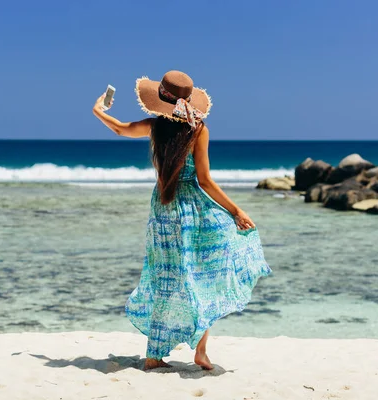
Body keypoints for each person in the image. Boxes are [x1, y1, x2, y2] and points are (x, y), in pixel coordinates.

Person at [92, 71, 271, 371]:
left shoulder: (155, 127)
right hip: (194, 208)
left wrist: (99, 109)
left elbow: (121, 129)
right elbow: (205, 181)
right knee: (204, 273)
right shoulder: (198, 130)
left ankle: (154, 354)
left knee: (166, 278)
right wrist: (236, 211)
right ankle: (200, 351)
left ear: (160, 99)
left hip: (164, 209)